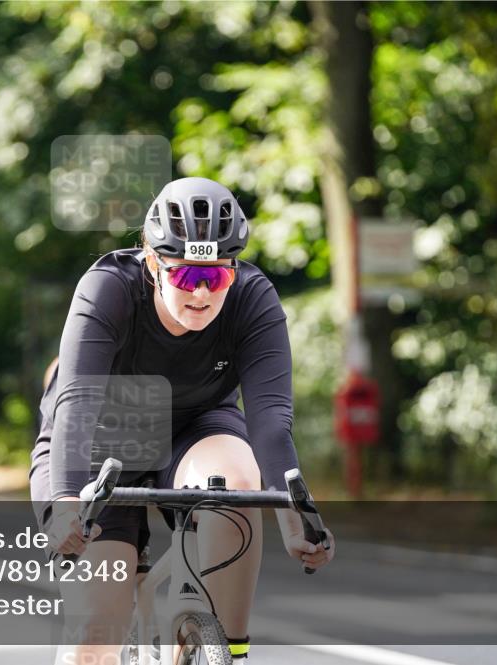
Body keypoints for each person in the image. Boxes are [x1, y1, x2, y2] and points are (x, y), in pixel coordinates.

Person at [30, 177, 335, 663]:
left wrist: (296, 522)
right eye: (186, 277)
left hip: (197, 424)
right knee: (96, 633)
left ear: (233, 271)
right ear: (153, 263)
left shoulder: (254, 299)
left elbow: (271, 422)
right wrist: (67, 501)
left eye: (215, 277)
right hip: (99, 438)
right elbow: (76, 403)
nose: (201, 293)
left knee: (236, 481)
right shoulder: (107, 287)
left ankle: (221, 650)